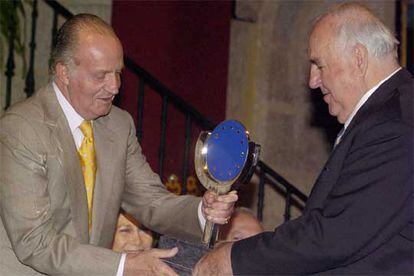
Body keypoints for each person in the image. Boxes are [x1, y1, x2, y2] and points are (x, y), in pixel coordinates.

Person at [0, 14, 237, 276]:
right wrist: (122, 265)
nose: (114, 87)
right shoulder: (22, 128)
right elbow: (34, 242)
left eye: (118, 73)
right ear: (63, 72)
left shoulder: (118, 125)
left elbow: (151, 201)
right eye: (100, 75)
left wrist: (202, 211)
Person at [194, 3, 413, 275]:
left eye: (319, 65)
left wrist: (233, 259)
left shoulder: (395, 123)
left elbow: (336, 234)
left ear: (358, 58)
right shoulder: (389, 112)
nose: (312, 80)